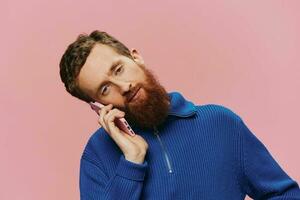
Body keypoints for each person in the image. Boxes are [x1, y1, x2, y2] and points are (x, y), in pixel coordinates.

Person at [59, 30, 300, 199]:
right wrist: (132, 162)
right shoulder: (97, 155)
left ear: (136, 57)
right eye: (104, 88)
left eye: (119, 69)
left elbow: (285, 194)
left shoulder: (221, 123)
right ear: (97, 105)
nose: (123, 86)